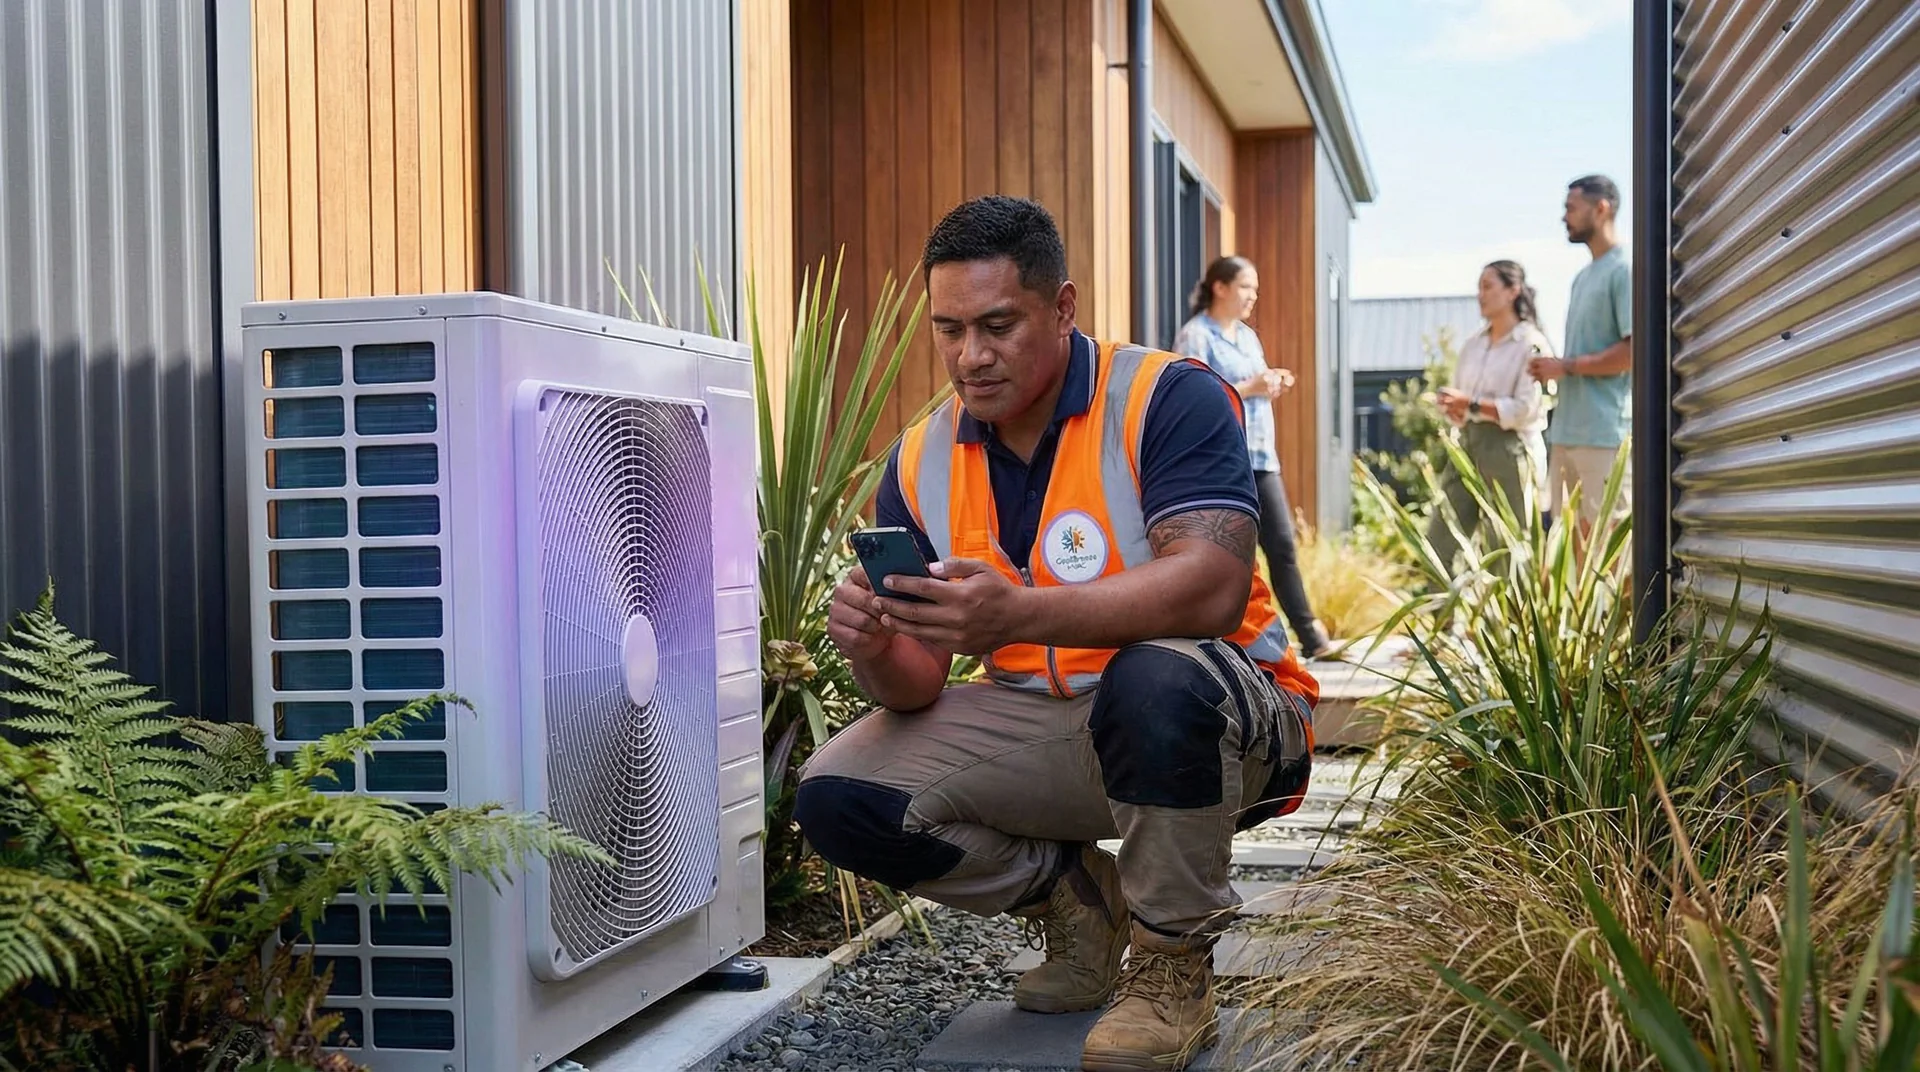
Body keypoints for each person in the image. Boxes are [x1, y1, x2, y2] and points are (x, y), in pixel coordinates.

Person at [794, 196, 1319, 1072]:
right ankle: (1079, 902)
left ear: (1064, 307)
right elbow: (918, 683)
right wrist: (877, 643)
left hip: (1226, 722)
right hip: (1046, 724)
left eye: (999, 325)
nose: (971, 356)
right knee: (840, 798)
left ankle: (1171, 968)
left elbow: (1215, 588)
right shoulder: (921, 456)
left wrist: (1019, 612)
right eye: (950, 329)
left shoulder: (1167, 396)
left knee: (1157, 678)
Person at [1172, 257, 1336, 659]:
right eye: (1246, 287)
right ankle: (1234, 643)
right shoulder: (1195, 336)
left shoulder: (1247, 337)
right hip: (1219, 461)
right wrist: (1251, 385)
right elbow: (1194, 399)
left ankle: (1310, 636)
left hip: (1261, 456)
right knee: (1230, 553)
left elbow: (1249, 387)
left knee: (1281, 544)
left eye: (1255, 289)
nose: (1253, 296)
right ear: (1220, 287)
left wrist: (1269, 383)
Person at [1426, 260, 1552, 569]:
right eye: (1478, 287)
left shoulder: (1531, 343)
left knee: (1507, 552)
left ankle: (1509, 618)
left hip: (1510, 451)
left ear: (1512, 291)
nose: (1480, 295)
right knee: (1439, 542)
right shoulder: (1473, 345)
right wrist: (1454, 408)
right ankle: (1444, 617)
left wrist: (1470, 404)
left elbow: (1525, 409)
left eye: (1488, 286)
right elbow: (1463, 399)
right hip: (1468, 444)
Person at [1529, 174, 1633, 539]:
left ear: (1601, 208)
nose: (1564, 217)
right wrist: (1554, 370)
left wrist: (1566, 367)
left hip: (1604, 435)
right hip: (1566, 433)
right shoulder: (1581, 278)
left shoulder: (1625, 270)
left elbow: (1633, 353)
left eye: (1571, 208)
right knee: (1571, 553)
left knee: (1611, 549)